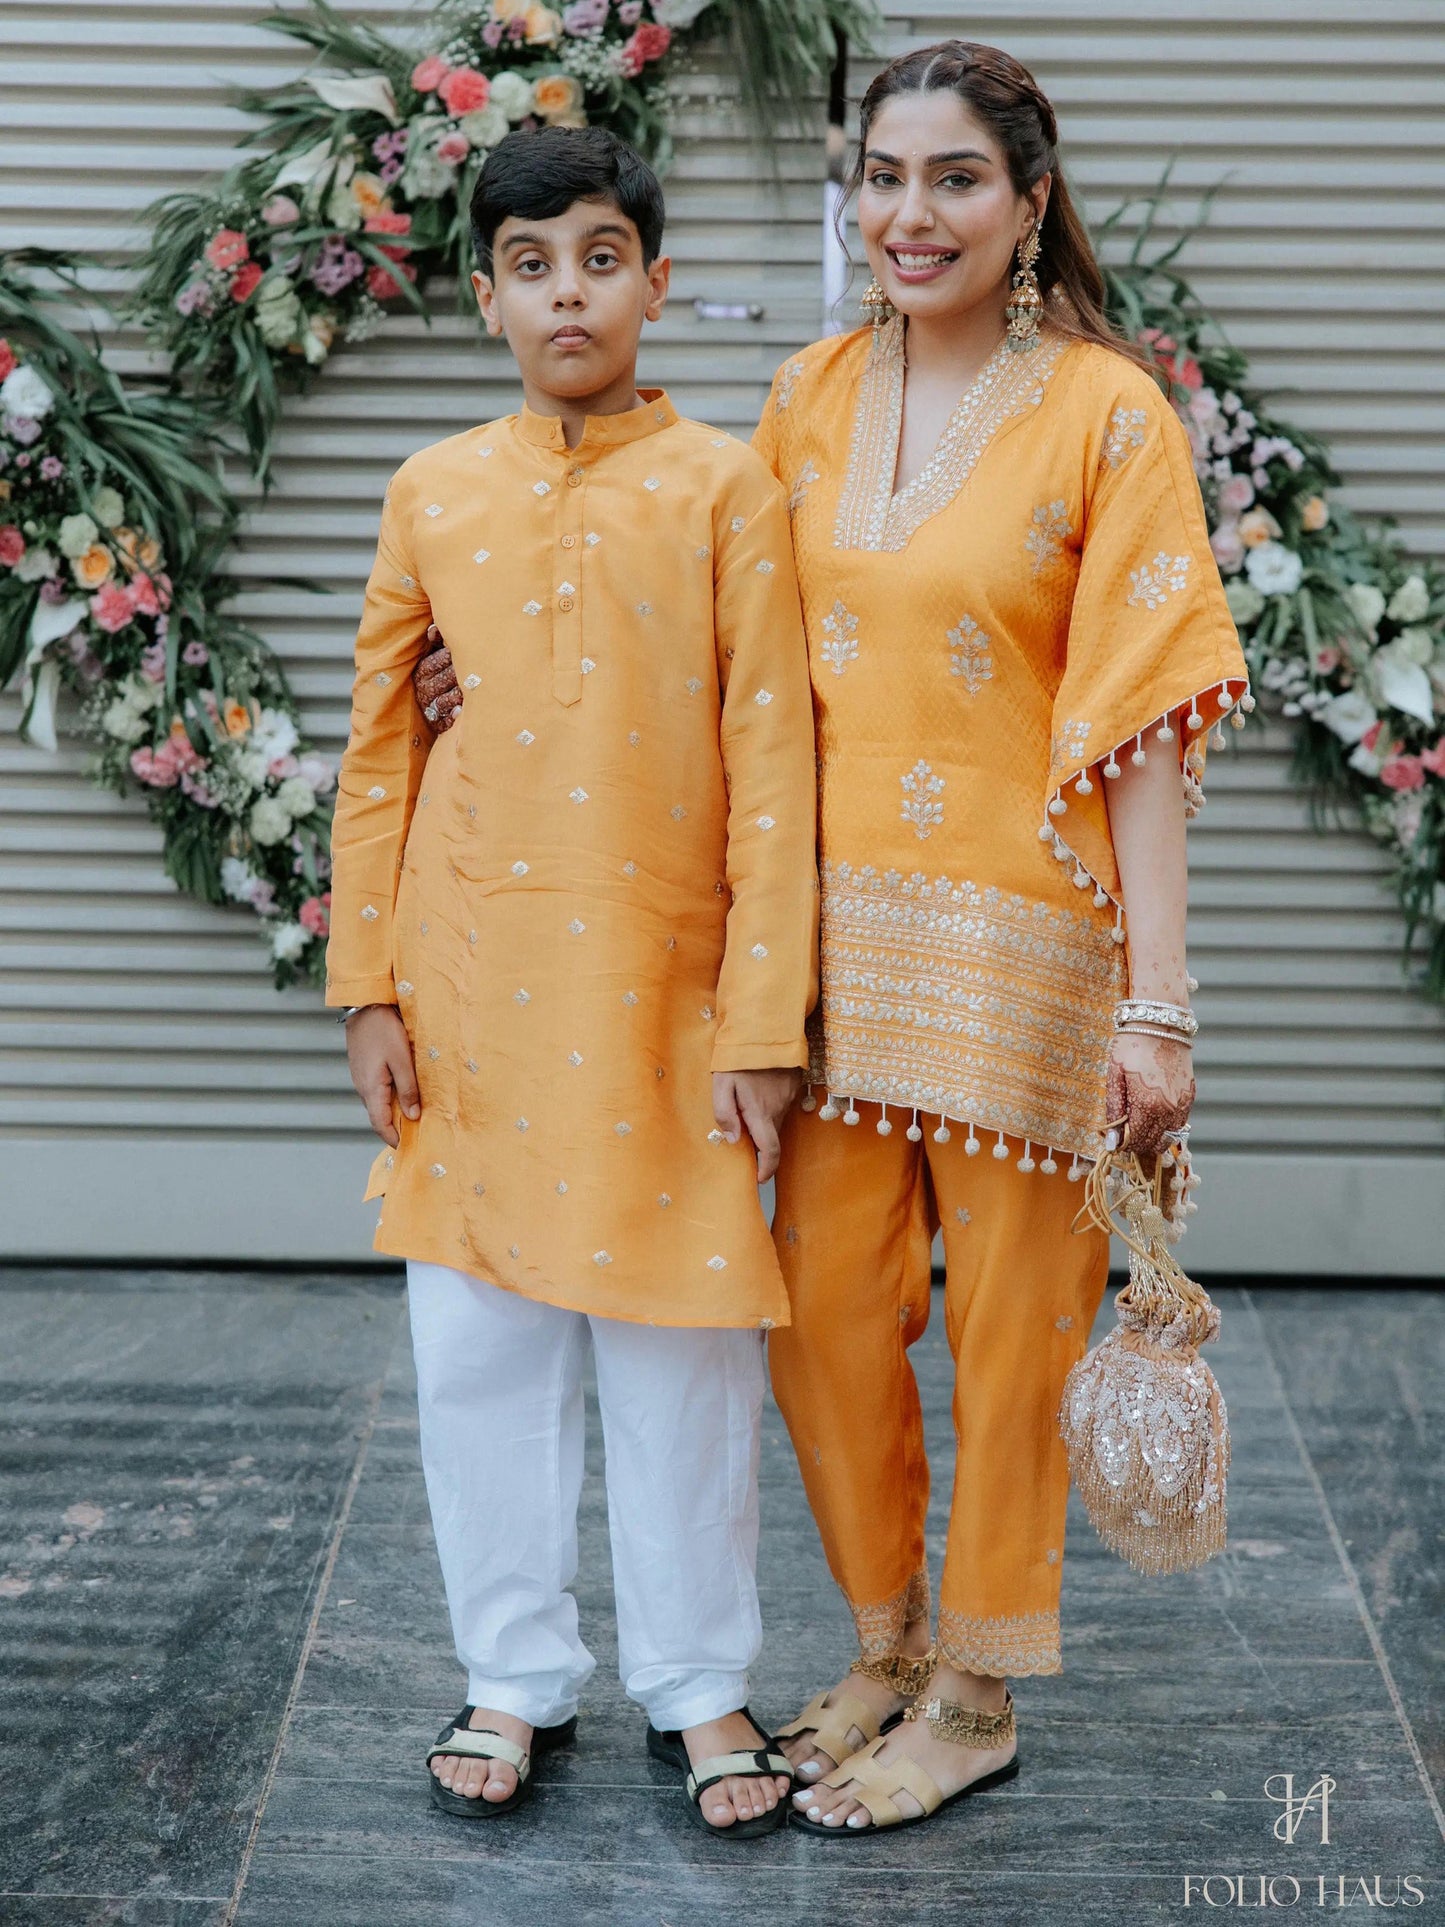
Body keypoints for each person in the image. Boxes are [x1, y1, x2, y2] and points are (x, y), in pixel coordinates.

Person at [411, 39, 1252, 1840]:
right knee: (824, 1327)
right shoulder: (804, 396)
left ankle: (974, 1689)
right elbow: (692, 636)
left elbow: (1146, 719)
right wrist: (485, 663)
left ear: (1028, 204)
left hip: (1029, 952)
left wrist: (1160, 1009)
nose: (906, 213)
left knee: (1015, 1333)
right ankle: (881, 1640)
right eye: (880, 176)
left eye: (952, 179)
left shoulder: (1108, 413)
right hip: (818, 956)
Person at [325, 125, 816, 1838]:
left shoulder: (725, 488)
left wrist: (765, 1023)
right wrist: (368, 988)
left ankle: (700, 1684)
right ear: (485, 297)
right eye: (530, 266)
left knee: (682, 1352)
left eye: (600, 257)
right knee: (478, 1350)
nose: (568, 294)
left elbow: (775, 767)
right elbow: (379, 754)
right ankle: (512, 1675)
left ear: (656, 281)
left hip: (667, 993)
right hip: (469, 986)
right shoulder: (433, 490)